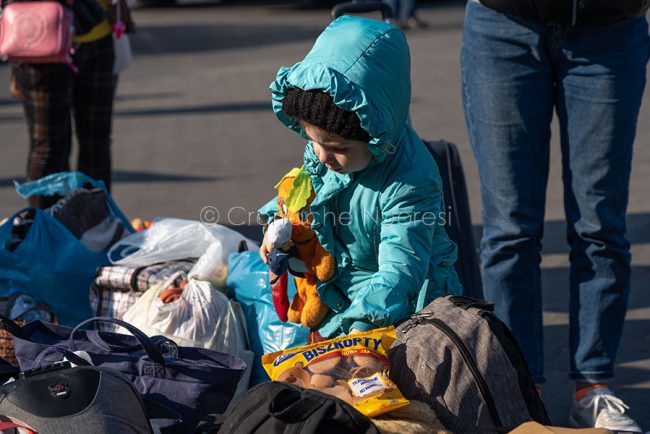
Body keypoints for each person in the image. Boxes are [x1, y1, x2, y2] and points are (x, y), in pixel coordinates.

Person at [461, 0, 649, 430]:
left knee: (600, 225)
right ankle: (523, 398)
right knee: (509, 231)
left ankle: (594, 388)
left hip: (610, 27)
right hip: (501, 23)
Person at [259, 15, 462, 341]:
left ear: (373, 136)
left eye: (338, 148)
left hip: (403, 314)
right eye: (315, 143)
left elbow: (400, 271)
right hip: (337, 298)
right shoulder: (327, 155)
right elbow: (300, 197)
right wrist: (276, 225)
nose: (323, 157)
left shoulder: (410, 181)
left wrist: (359, 328)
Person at [10, 0, 121, 208]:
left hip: (97, 34)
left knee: (97, 143)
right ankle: (45, 229)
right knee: (48, 146)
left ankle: (95, 227)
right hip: (42, 39)